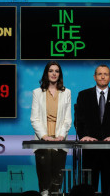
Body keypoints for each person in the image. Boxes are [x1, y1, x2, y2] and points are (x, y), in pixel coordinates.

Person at [76, 64, 110, 196]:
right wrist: (84, 136)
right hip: (90, 151)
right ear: (94, 77)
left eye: (106, 74)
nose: (103, 76)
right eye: (99, 74)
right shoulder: (83, 95)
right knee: (88, 190)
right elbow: (79, 120)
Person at [30, 61, 72, 196]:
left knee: (57, 183)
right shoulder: (37, 93)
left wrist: (61, 136)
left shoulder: (67, 92)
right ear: (46, 73)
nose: (54, 73)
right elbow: (34, 118)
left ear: (60, 74)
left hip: (60, 140)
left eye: (57, 71)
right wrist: (44, 136)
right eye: (51, 70)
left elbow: (67, 119)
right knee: (44, 184)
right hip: (43, 140)